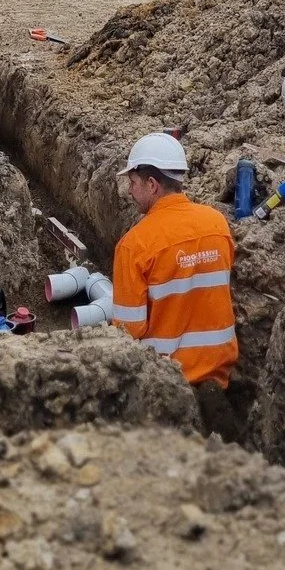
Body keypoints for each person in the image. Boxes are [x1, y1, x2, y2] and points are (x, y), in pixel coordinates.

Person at [110, 133, 238, 396]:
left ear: (153, 185)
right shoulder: (217, 224)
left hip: (166, 383)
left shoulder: (135, 245)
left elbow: (126, 333)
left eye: (133, 183)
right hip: (218, 378)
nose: (130, 191)